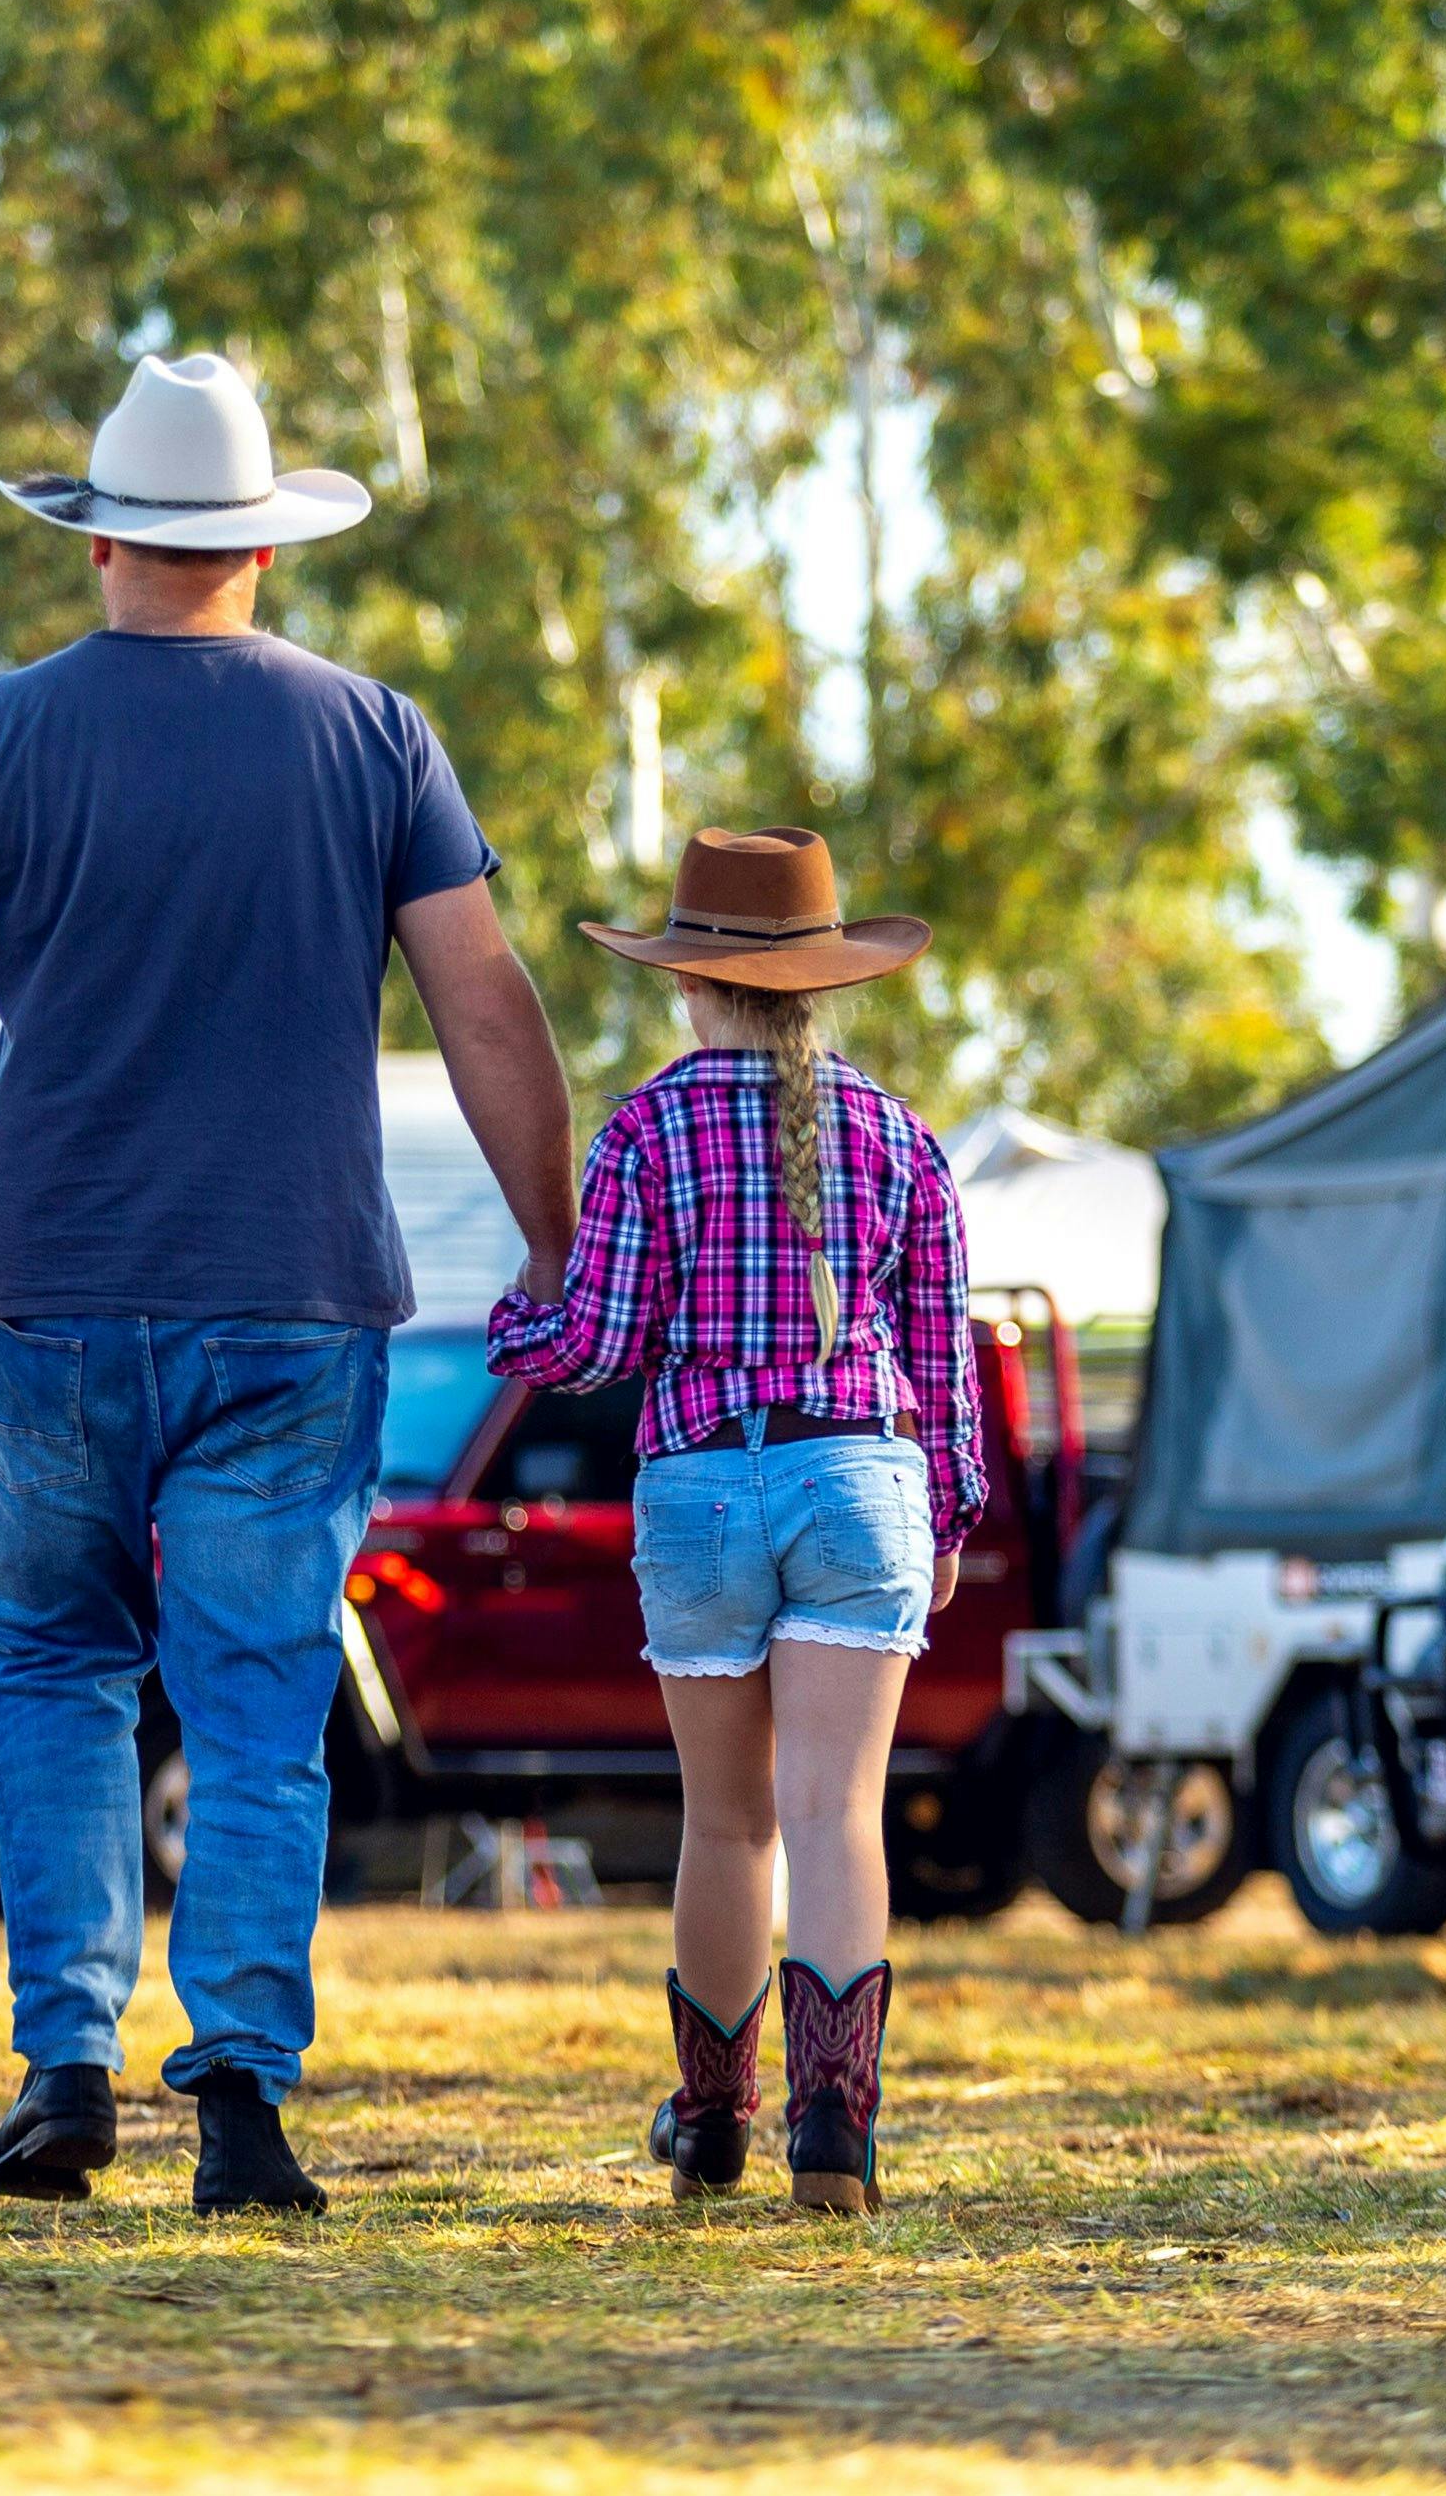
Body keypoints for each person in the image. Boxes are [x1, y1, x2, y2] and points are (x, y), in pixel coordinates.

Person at [0, 351, 577, 2214]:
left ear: (100, 546)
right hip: (296, 1293)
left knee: (55, 1670)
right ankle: (238, 2091)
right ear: (262, 554)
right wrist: (552, 1243)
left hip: (56, 1289)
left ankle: (63, 2067)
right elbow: (489, 1006)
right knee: (256, 1694)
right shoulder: (376, 738)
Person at [487, 827, 982, 2214]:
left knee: (728, 1827)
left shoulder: (645, 1128)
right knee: (840, 1815)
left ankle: (709, 2123)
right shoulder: (901, 1135)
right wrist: (948, 1511)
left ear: (692, 982)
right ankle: (837, 2128)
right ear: (823, 985)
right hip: (859, 1480)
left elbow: (592, 1345)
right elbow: (940, 1359)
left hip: (700, 1483)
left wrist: (515, 1320)